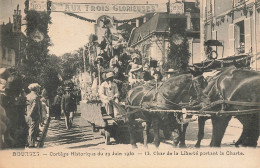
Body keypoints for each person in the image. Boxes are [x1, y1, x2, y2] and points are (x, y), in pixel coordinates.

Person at [26, 83, 41, 148]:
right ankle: (31, 143)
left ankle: (30, 141)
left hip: (28, 114)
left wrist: (28, 114)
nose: (38, 89)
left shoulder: (27, 96)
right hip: (34, 115)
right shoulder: (36, 96)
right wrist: (31, 113)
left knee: (30, 128)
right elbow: (34, 106)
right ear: (35, 89)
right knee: (33, 128)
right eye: (38, 88)